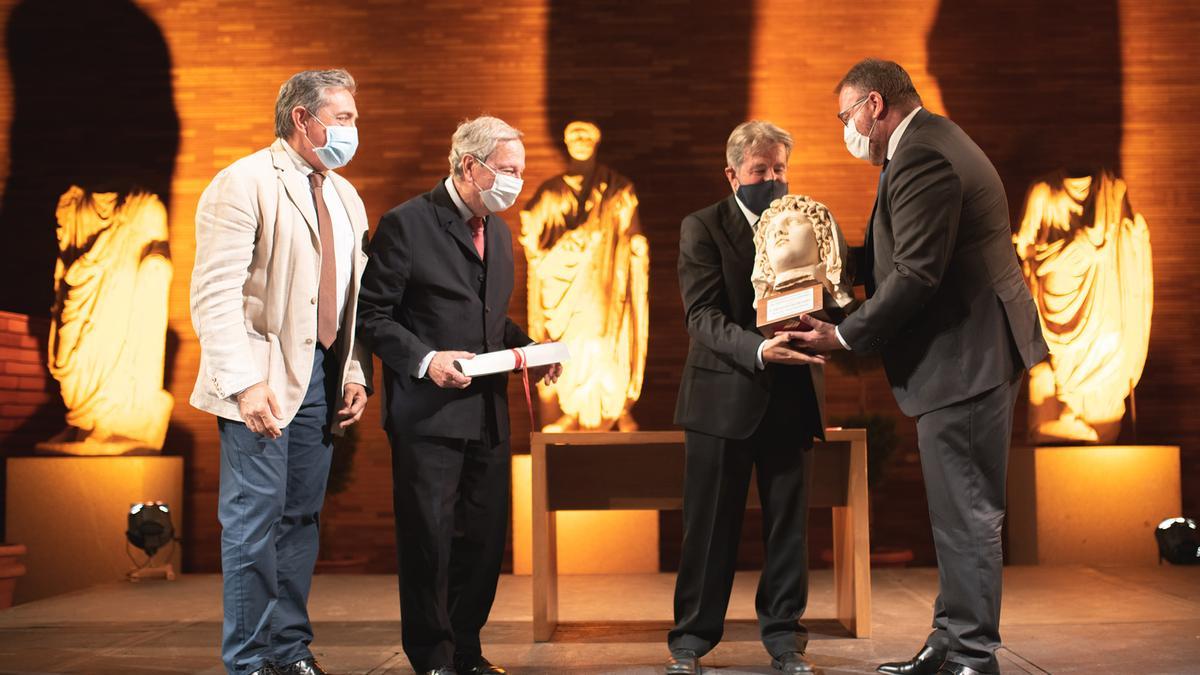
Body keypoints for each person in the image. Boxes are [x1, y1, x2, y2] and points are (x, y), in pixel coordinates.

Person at [789, 59, 1048, 675]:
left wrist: (845, 335)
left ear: (874, 106)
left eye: (845, 115)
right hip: (969, 348)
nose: (845, 129)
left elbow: (916, 274)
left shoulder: (924, 156)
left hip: (968, 353)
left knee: (968, 509)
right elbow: (896, 256)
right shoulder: (928, 143)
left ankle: (974, 653)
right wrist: (820, 253)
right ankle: (949, 638)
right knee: (954, 507)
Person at [356, 115, 561, 675]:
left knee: (485, 540)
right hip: (430, 417)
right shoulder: (406, 224)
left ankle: (467, 650)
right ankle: (434, 657)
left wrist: (532, 350)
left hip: (489, 416)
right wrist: (426, 360)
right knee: (431, 542)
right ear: (471, 166)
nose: (517, 182)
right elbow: (372, 316)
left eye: (521, 170)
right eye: (510, 170)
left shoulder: (498, 230)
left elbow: (489, 321)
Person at [190, 69, 373, 675]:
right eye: (343, 118)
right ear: (303, 118)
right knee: (254, 521)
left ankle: (289, 652)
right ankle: (247, 662)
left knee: (299, 520)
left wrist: (352, 370)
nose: (352, 130)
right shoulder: (241, 183)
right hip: (260, 381)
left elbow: (348, 299)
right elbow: (215, 294)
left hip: (320, 378)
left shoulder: (345, 195)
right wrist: (243, 383)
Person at [667, 120, 826, 675]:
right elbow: (702, 317)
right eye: (762, 171)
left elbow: (826, 297)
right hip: (720, 400)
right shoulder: (702, 227)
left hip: (790, 398)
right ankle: (690, 640)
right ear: (732, 174)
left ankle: (785, 640)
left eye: (780, 169)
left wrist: (826, 322)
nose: (774, 180)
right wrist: (761, 351)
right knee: (709, 528)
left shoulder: (806, 224)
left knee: (789, 529)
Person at [518, 120, 648, 432]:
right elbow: (530, 233)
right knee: (570, 344)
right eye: (574, 134)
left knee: (605, 339)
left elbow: (632, 230)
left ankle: (613, 408)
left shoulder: (617, 188)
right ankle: (571, 410)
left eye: (585, 134)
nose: (579, 139)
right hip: (564, 291)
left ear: (596, 141)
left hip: (602, 280)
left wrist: (637, 244)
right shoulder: (551, 192)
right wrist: (558, 247)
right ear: (566, 141)